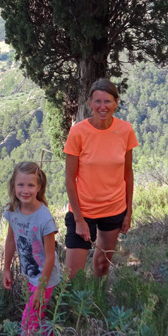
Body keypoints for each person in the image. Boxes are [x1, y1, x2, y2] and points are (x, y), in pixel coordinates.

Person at [64, 79, 138, 280]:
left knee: (103, 265)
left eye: (107, 101)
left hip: (114, 209)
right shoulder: (78, 132)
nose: (102, 107)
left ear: (116, 103)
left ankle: (98, 304)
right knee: (72, 276)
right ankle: (73, 311)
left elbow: (127, 173)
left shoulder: (125, 130)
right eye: (97, 101)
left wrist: (128, 212)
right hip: (83, 211)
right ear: (90, 103)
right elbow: (69, 179)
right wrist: (79, 220)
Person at [3, 161, 61, 336]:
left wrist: (42, 287)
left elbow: (50, 256)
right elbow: (11, 240)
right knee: (37, 311)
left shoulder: (44, 218)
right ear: (13, 186)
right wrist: (7, 268)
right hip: (31, 272)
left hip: (46, 276)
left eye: (30, 185)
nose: (25, 190)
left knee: (29, 319)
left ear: (39, 187)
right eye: (21, 185)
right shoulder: (13, 210)